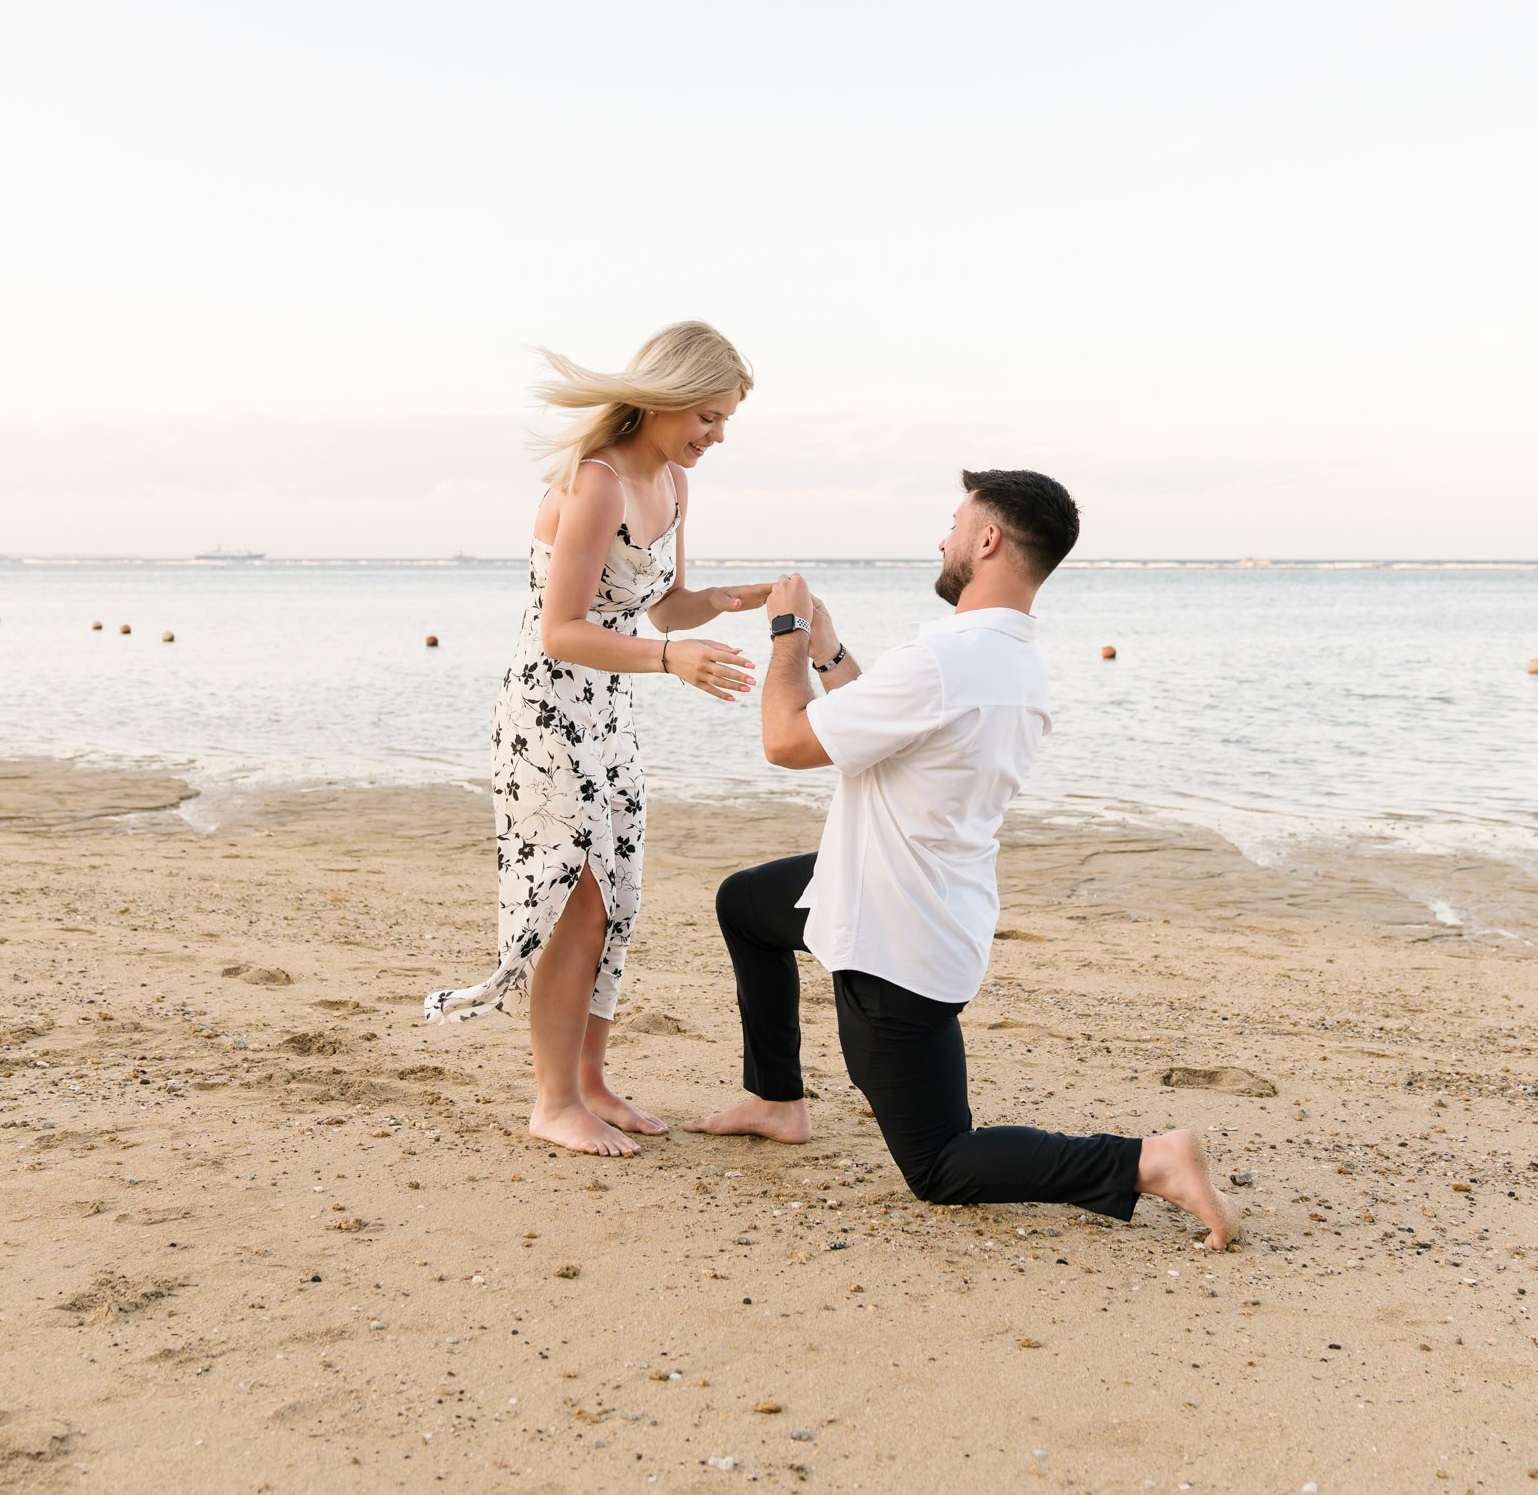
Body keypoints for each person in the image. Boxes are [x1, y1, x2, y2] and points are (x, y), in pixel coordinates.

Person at [682, 469, 1240, 1246]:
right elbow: (885, 725)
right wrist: (828, 644)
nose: (941, 537)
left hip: (892, 939)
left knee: (940, 1164)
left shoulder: (943, 664)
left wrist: (783, 637)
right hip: (911, 895)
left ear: (987, 539)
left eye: (953, 522)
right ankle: (777, 1100)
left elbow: (786, 742)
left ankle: (1150, 1160)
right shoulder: (1007, 661)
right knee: (747, 903)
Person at [425, 321, 776, 1158]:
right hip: (546, 713)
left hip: (610, 712)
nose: (717, 437)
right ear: (667, 397)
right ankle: (552, 1101)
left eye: (725, 422)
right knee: (572, 901)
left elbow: (665, 603)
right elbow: (562, 630)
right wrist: (670, 659)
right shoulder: (598, 481)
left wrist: (731, 599)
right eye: (710, 417)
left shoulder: (673, 484)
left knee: (616, 899)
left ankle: (590, 1082)